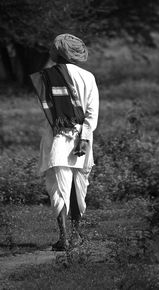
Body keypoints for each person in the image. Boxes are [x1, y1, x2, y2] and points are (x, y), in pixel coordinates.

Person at [30, 34, 99, 251]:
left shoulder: (47, 76)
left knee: (59, 189)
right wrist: (85, 139)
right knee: (79, 187)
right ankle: (76, 235)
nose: (49, 51)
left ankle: (64, 238)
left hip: (57, 139)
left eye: (52, 48)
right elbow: (91, 114)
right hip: (82, 140)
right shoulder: (88, 77)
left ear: (59, 52)